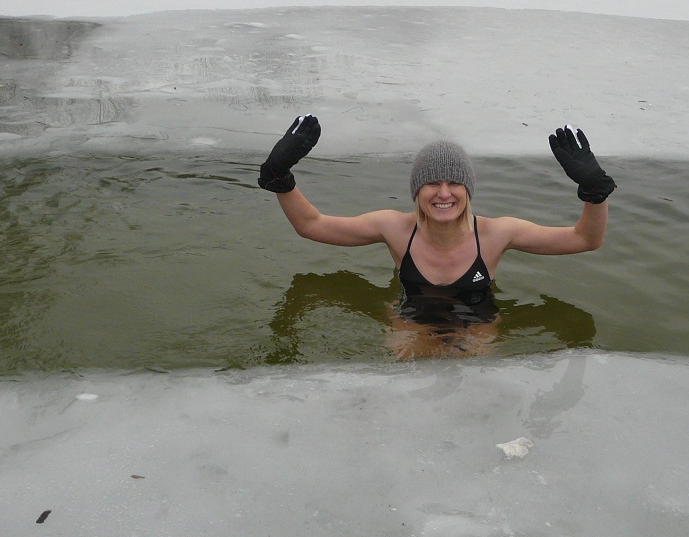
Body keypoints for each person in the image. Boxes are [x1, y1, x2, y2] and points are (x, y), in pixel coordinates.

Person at [258, 114, 615, 357]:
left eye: (454, 182)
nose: (443, 193)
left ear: (467, 189)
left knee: (469, 378)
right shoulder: (395, 228)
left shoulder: (495, 234)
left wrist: (594, 192)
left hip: (477, 321)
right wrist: (280, 177)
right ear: (417, 189)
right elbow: (312, 225)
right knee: (407, 379)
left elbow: (585, 239)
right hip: (411, 316)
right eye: (432, 182)